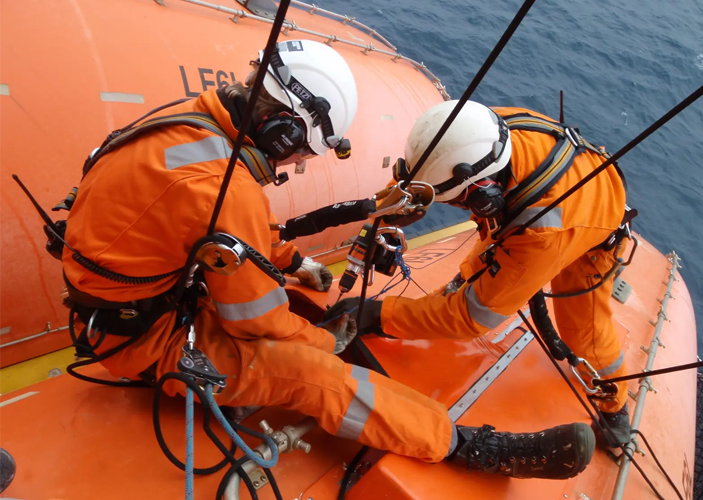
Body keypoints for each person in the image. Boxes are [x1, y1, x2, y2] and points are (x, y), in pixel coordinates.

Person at [61, 40, 594, 479]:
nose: (295, 165)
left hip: (134, 303)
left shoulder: (191, 125)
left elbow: (218, 231)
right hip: (143, 341)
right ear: (286, 130)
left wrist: (293, 266)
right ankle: (464, 444)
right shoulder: (226, 190)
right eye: (302, 152)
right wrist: (327, 342)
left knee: (296, 315)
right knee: (319, 378)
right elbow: (256, 321)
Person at [328, 99, 632, 446]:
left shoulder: (540, 235)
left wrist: (379, 314)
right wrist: (382, 218)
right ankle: (466, 281)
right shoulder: (478, 133)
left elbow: (472, 318)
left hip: (587, 230)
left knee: (585, 334)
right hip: (544, 192)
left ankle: (614, 405)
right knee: (483, 261)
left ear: (480, 194)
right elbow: (426, 175)